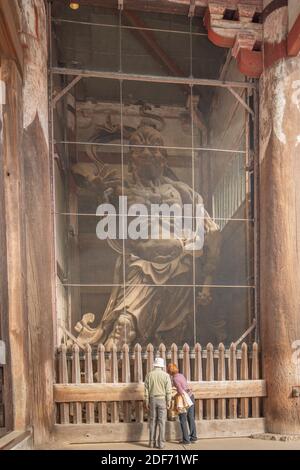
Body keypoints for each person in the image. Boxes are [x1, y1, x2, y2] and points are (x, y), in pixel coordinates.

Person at [144, 357, 172, 449]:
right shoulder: (166, 375)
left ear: (155, 365)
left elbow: (146, 390)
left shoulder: (149, 375)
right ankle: (161, 444)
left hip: (152, 399)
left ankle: (151, 443)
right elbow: (168, 390)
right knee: (162, 422)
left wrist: (147, 400)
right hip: (162, 399)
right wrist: (168, 400)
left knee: (152, 421)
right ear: (162, 366)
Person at [167, 363, 197, 445]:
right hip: (191, 396)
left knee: (183, 419)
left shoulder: (175, 379)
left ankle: (186, 440)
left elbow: (180, 391)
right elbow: (185, 386)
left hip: (183, 399)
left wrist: (174, 394)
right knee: (191, 417)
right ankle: (193, 437)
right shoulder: (181, 375)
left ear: (170, 371)